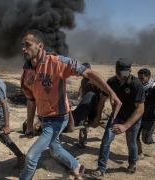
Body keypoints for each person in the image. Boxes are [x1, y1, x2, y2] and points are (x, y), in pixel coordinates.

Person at [20, 29, 122, 180]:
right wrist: (30, 124)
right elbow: (31, 100)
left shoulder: (57, 62)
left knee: (31, 156)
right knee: (55, 150)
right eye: (22, 45)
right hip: (42, 118)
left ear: (40, 46)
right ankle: (77, 167)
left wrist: (112, 94)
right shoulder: (26, 73)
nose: (23, 48)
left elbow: (88, 73)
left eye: (27, 45)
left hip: (58, 118)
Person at [90, 59, 145, 179]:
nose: (119, 75)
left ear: (130, 71)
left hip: (132, 118)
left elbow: (140, 109)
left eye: (123, 73)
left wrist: (125, 126)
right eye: (118, 72)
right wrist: (98, 117)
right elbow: (102, 101)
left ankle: (132, 163)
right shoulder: (111, 81)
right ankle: (101, 169)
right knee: (106, 140)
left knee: (131, 143)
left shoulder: (136, 84)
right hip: (116, 116)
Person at [74, 62, 102, 148]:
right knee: (82, 122)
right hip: (86, 105)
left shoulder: (95, 81)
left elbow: (101, 94)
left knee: (98, 121)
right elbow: (81, 87)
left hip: (94, 106)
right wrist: (78, 95)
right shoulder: (83, 80)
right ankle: (82, 141)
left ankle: (110, 127)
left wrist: (100, 107)